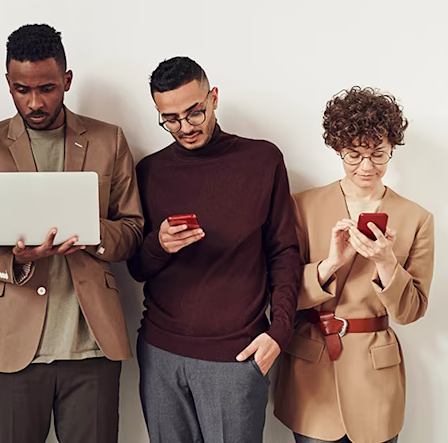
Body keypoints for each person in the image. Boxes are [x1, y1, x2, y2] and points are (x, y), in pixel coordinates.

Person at [0, 24, 143, 443]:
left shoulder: (107, 139)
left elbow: (132, 232)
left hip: (92, 344)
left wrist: (90, 234)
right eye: (22, 89)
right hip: (10, 343)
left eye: (47, 88)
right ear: (8, 83)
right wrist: (17, 259)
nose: (35, 102)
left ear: (67, 81)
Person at [126, 56, 301, 442]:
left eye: (195, 113)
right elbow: (136, 267)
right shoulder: (149, 171)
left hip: (237, 355)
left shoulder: (262, 160)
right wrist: (159, 245)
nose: (185, 127)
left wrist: (280, 332)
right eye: (170, 119)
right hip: (161, 352)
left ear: (214, 98)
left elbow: (284, 252)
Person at [274, 87, 434, 443]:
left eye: (378, 154)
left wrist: (387, 263)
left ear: (392, 147)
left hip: (377, 376)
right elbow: (280, 294)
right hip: (312, 369)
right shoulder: (302, 206)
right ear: (337, 149)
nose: (367, 166)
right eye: (353, 155)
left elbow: (411, 311)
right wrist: (330, 264)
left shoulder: (417, 218)